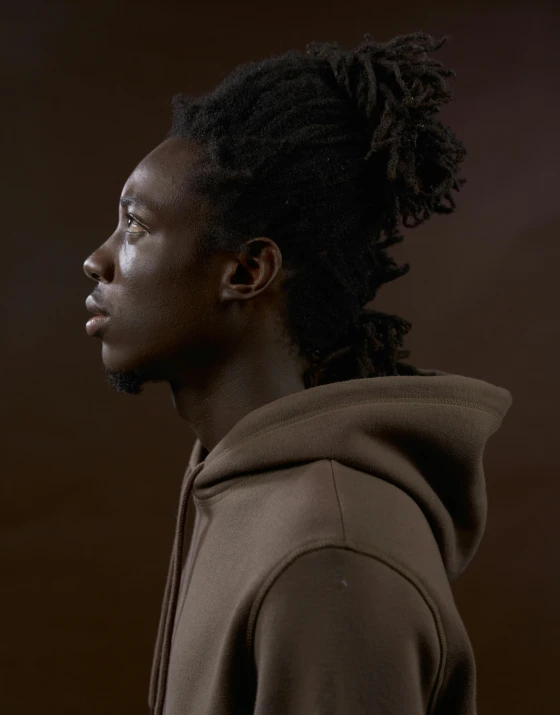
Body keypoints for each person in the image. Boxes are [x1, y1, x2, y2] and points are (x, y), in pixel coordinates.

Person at [83, 31, 512, 715]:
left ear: (247, 272)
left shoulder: (326, 552)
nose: (97, 260)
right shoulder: (244, 488)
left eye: (134, 224)